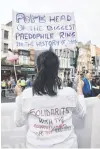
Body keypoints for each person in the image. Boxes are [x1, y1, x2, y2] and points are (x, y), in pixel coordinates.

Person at [14, 51, 86, 148]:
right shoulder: (69, 93)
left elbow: (19, 122)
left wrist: (19, 95)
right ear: (57, 70)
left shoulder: (26, 95)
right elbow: (82, 114)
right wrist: (79, 90)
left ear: (37, 69)